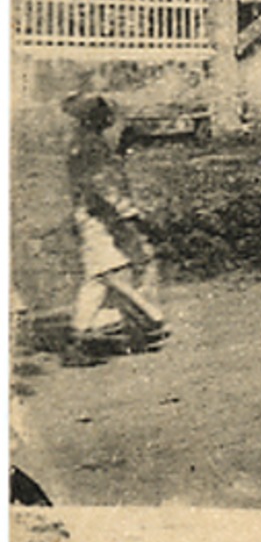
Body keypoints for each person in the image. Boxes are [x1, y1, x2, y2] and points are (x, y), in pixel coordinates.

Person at [62, 94, 167, 364]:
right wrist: (130, 214)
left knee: (101, 277)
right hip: (95, 217)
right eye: (104, 113)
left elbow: (108, 178)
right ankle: (147, 322)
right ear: (93, 118)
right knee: (110, 274)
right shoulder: (88, 146)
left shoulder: (90, 143)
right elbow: (102, 186)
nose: (109, 117)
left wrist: (120, 151)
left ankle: (92, 336)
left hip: (99, 216)